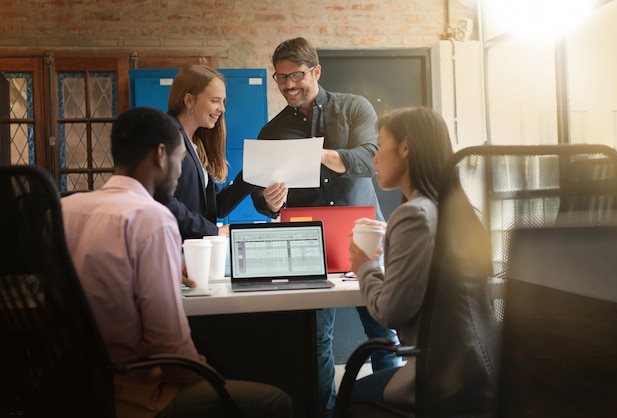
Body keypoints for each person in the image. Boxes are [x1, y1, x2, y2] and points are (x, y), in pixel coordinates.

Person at [61, 107, 292, 418]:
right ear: (160, 154)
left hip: (75, 389)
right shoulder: (152, 219)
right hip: (139, 395)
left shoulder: (65, 210)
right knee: (275, 400)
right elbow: (171, 350)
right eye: (181, 158)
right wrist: (209, 368)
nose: (182, 172)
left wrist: (163, 272)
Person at [250, 37, 399, 418]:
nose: (287, 85)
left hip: (363, 232)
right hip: (306, 239)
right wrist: (270, 201)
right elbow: (260, 200)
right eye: (280, 78)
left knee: (382, 328)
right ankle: (325, 413)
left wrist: (314, 153)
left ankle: (394, 406)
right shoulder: (272, 131)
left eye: (296, 75)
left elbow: (369, 159)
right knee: (316, 339)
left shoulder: (355, 107)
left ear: (316, 71)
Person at [347, 106, 495, 413]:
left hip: (441, 377)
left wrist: (365, 266)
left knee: (343, 395)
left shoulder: (413, 214)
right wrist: (391, 233)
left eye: (380, 143)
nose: (374, 158)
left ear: (405, 147)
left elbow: (390, 313)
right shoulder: (456, 210)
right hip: (480, 367)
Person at [166, 64, 282, 238]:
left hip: (197, 250)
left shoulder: (196, 145)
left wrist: (252, 172)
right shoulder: (167, 136)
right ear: (189, 100)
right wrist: (213, 231)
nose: (223, 109)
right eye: (215, 101)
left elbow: (217, 207)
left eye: (223, 101)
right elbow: (163, 200)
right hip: (177, 251)